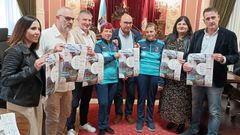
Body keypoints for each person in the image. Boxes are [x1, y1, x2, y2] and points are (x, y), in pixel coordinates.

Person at [182, 7, 239, 135]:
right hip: (197, 77)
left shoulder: (229, 35)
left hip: (215, 78)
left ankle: (212, 133)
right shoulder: (197, 34)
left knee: (214, 110)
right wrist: (186, 63)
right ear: (204, 21)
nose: (211, 20)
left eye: (213, 17)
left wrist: (223, 58)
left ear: (218, 17)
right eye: (208, 18)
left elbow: (235, 56)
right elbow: (189, 54)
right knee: (196, 105)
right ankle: (193, 129)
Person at [0, 15, 45, 135]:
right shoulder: (14, 51)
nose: (37, 32)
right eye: (33, 28)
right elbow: (6, 79)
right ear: (23, 30)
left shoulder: (30, 49)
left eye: (39, 29)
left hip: (33, 99)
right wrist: (33, 69)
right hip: (20, 102)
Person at [36, 7, 75, 135]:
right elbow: (37, 60)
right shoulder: (45, 35)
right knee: (52, 118)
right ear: (57, 18)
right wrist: (52, 52)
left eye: (72, 19)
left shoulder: (71, 35)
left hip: (68, 85)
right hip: (53, 87)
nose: (70, 22)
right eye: (67, 18)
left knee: (65, 116)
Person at [159, 16, 193, 134]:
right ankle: (172, 120)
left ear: (188, 27)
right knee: (170, 99)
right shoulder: (169, 38)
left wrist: (187, 60)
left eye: (184, 24)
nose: (181, 26)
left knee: (182, 100)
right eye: (179, 24)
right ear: (176, 26)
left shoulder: (191, 40)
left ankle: (182, 122)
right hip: (170, 75)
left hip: (183, 76)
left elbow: (195, 55)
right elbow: (161, 50)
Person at [66, 10, 96, 135]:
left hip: (89, 73)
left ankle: (83, 123)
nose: (87, 22)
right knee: (74, 102)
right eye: (84, 19)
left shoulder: (93, 34)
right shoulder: (71, 33)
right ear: (78, 20)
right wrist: (84, 51)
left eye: (89, 20)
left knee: (86, 100)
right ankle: (70, 127)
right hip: (77, 74)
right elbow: (70, 52)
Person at [112, 13, 142, 124]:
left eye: (130, 23)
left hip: (131, 69)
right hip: (117, 68)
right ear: (120, 23)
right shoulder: (113, 33)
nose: (128, 25)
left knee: (130, 93)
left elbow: (141, 51)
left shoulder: (137, 35)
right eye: (125, 22)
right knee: (118, 93)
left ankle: (128, 113)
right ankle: (118, 113)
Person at [136, 22, 165, 133]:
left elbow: (163, 63)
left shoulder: (161, 44)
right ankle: (140, 120)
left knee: (152, 99)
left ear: (156, 32)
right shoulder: (140, 43)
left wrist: (161, 81)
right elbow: (134, 58)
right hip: (142, 74)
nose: (149, 34)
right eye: (147, 32)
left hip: (155, 75)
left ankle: (149, 120)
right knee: (141, 98)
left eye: (151, 31)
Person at [94, 22, 120, 135]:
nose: (108, 33)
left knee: (109, 103)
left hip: (114, 79)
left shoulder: (115, 45)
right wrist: (113, 56)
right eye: (106, 31)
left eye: (110, 31)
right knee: (103, 103)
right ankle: (101, 126)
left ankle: (106, 124)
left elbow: (119, 61)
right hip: (102, 79)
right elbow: (99, 60)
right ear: (101, 32)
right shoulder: (98, 44)